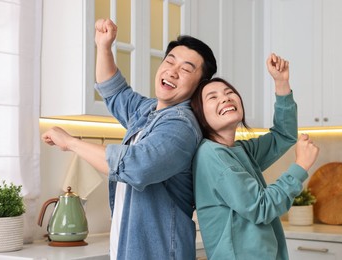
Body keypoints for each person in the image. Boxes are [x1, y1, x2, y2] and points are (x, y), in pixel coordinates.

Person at [42, 19, 217, 259]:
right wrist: (104, 46)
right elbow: (114, 91)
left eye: (186, 69)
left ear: (200, 86)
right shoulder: (149, 111)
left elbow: (135, 166)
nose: (172, 71)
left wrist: (71, 142)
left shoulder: (181, 126)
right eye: (169, 61)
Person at [190, 54, 319, 260]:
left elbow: (283, 135)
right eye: (212, 97)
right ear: (199, 115)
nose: (225, 98)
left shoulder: (238, 151)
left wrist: (281, 82)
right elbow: (261, 208)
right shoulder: (212, 155)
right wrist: (300, 166)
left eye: (229, 92)